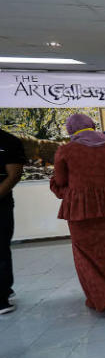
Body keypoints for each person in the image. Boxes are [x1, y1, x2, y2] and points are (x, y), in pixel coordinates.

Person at [50, 114, 105, 313]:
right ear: (92, 126)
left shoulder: (66, 150)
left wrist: (67, 191)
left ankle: (102, 299)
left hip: (80, 211)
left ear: (71, 130)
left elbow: (60, 182)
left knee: (85, 256)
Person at [0, 128, 25, 315]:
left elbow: (14, 174)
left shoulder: (7, 141)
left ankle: (2, 296)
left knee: (0, 247)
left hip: (1, 204)